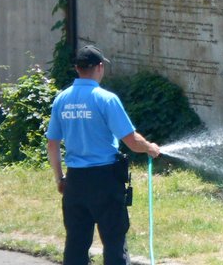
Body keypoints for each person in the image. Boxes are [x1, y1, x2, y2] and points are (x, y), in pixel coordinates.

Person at [46, 45, 161, 265]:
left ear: (77, 69)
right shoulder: (105, 99)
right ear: (100, 67)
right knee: (114, 242)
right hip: (105, 180)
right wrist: (149, 148)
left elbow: (52, 144)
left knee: (76, 245)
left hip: (75, 181)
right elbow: (131, 140)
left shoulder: (61, 99)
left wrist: (60, 178)